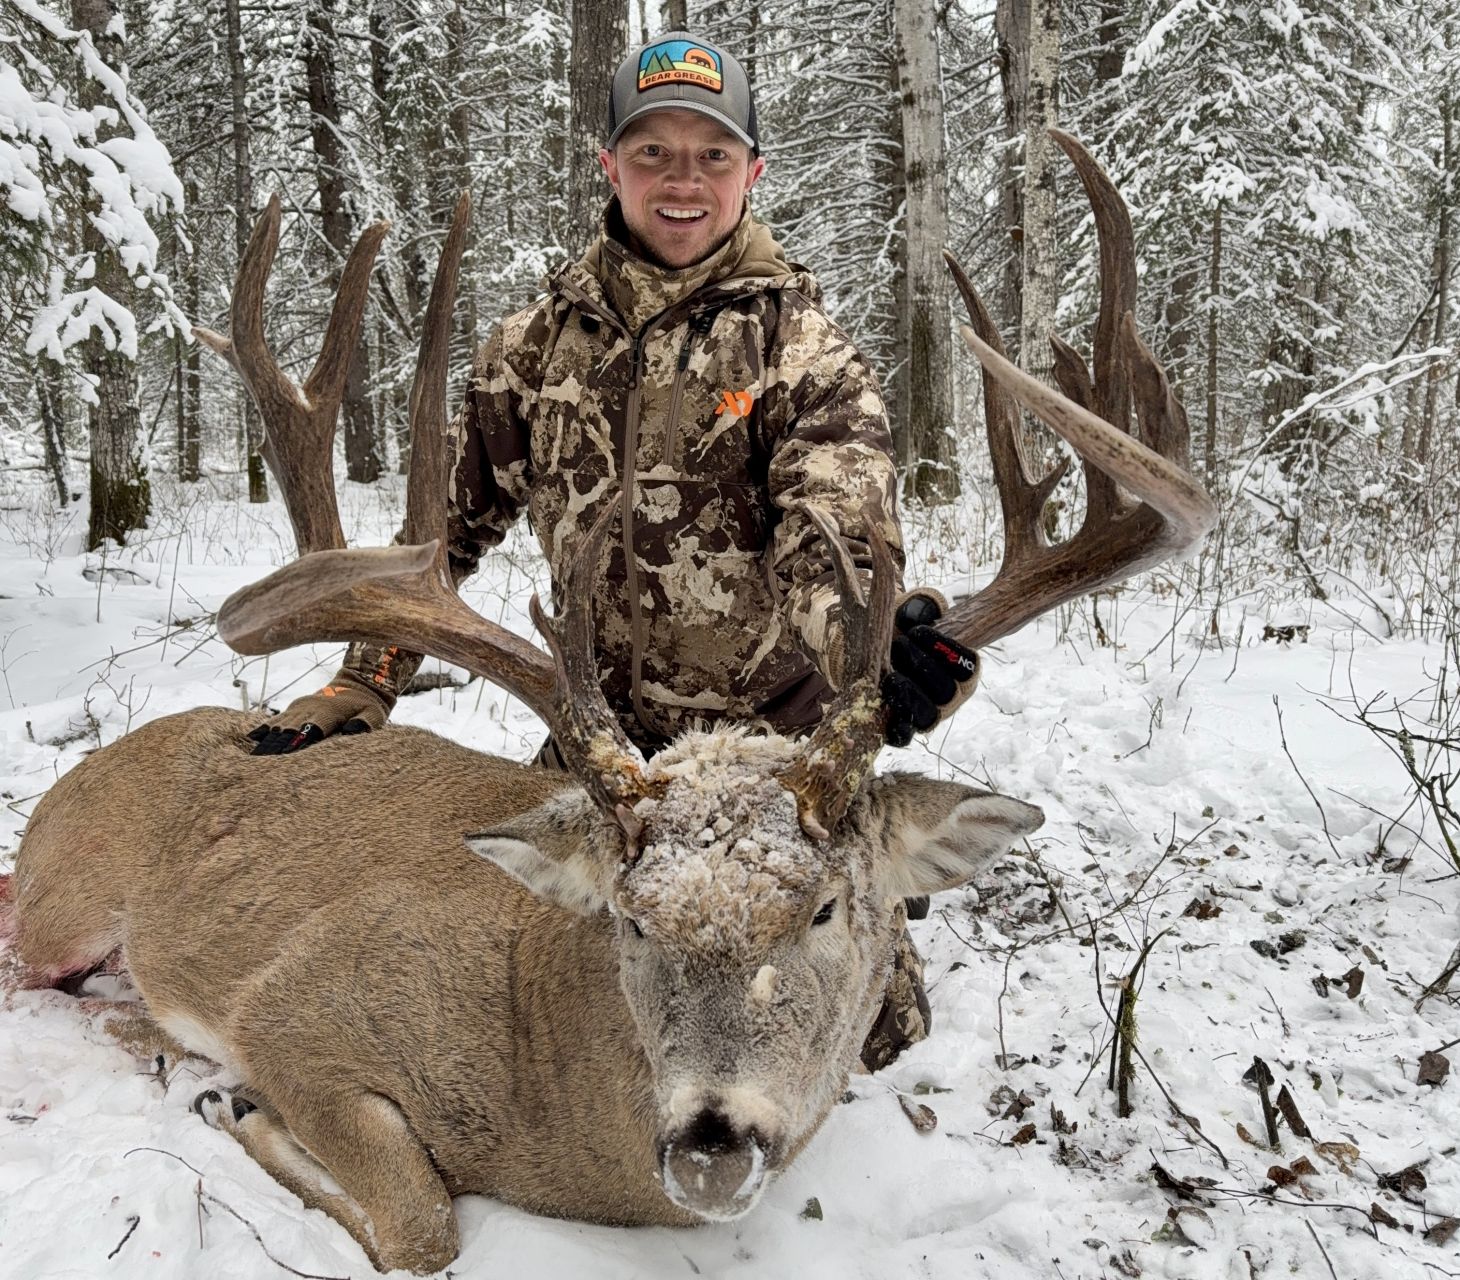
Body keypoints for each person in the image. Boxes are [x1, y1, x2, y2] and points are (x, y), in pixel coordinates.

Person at [249, 31, 979, 1069]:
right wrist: (365, 681)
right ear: (610, 166)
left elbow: (832, 527)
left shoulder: (800, 351)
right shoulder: (530, 350)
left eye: (712, 155)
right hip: (606, 754)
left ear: (751, 172)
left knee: (866, 1034)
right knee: (513, 1002)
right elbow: (439, 541)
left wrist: (885, 659)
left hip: (770, 772)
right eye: (654, 153)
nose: (682, 182)